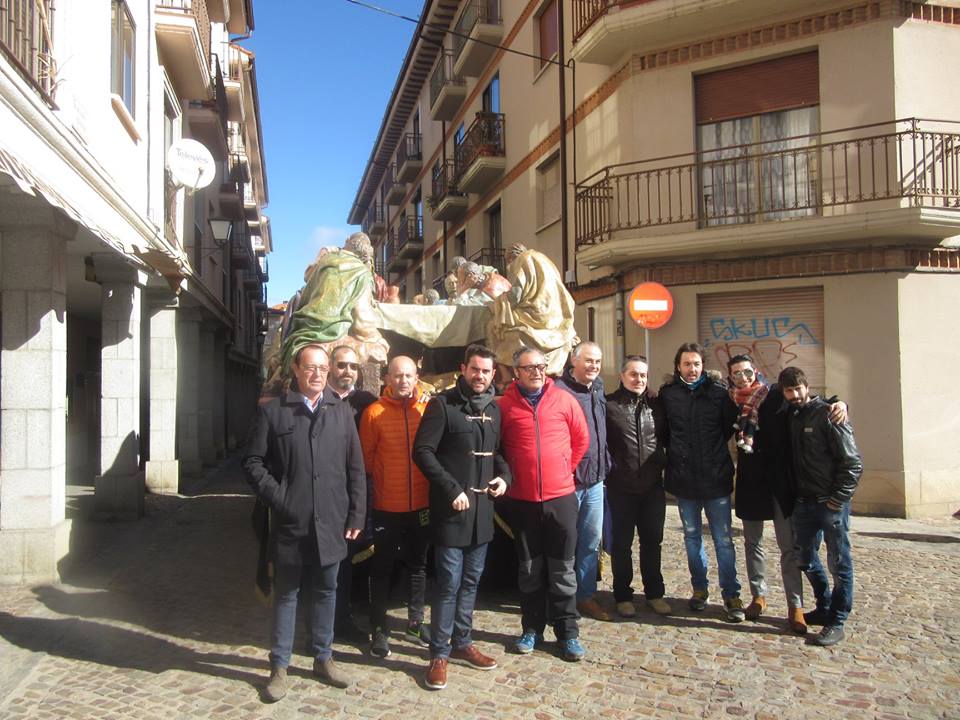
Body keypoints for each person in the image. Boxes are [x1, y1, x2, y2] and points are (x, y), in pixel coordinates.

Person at [243, 344, 366, 702]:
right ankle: (279, 666)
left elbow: (356, 468)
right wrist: (281, 497)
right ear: (295, 369)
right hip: (291, 524)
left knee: (328, 590)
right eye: (310, 368)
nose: (317, 374)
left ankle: (323, 658)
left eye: (323, 369)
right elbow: (252, 463)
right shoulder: (274, 412)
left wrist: (357, 513)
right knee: (287, 595)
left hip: (332, 521)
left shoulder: (341, 412)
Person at [413, 344, 511, 690]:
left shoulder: (494, 409)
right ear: (463, 369)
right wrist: (451, 489)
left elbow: (497, 454)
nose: (480, 376)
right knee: (449, 584)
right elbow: (422, 452)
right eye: (475, 369)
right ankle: (439, 653)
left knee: (471, 582)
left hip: (482, 513)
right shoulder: (442, 405)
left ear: (493, 373)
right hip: (451, 512)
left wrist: (505, 477)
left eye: (486, 371)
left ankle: (462, 642)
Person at [498, 347, 590, 661]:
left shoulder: (564, 399)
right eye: (529, 367)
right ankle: (532, 628)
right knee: (530, 569)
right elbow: (499, 447)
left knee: (563, 569)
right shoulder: (505, 405)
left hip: (561, 498)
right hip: (523, 501)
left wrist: (564, 470)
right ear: (516, 372)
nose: (537, 372)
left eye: (541, 366)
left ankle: (568, 633)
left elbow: (581, 439)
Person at [659, 342, 745, 622]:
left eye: (696, 364)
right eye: (687, 364)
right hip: (684, 480)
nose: (692, 369)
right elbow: (664, 433)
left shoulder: (719, 393)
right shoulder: (668, 394)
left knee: (723, 540)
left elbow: (727, 429)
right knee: (692, 538)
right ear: (678, 366)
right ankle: (700, 589)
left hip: (715, 478)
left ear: (703, 366)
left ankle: (731, 594)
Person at [779, 366, 863, 647]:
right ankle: (824, 604)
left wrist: (838, 499)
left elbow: (853, 463)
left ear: (807, 386)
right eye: (789, 391)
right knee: (804, 558)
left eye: (798, 389)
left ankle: (837, 620)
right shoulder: (792, 415)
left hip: (830, 502)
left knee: (839, 562)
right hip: (804, 502)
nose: (794, 395)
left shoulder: (829, 414)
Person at [359, 355, 431, 659]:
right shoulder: (373, 413)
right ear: (387, 379)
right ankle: (379, 627)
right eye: (397, 375)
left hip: (421, 504)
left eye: (408, 375)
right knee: (382, 568)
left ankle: (415, 623)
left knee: (418, 565)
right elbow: (365, 460)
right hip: (387, 504)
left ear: (417, 378)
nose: (403, 381)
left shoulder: (426, 409)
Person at [604, 355, 670, 618]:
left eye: (643, 375)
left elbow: (666, 438)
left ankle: (654, 594)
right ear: (622, 376)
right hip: (620, 487)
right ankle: (623, 595)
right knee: (622, 545)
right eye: (633, 374)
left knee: (653, 542)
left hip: (652, 487)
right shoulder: (609, 405)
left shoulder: (657, 405)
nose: (639, 379)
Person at [554, 341, 611, 621]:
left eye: (597, 361)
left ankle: (585, 596)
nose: (594, 366)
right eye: (588, 360)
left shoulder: (598, 387)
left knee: (590, 542)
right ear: (573, 361)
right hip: (569, 481)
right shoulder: (559, 391)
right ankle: (561, 598)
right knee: (564, 543)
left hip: (596, 481)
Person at [328, 346, 377, 643]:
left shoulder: (368, 403)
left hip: (355, 494)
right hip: (323, 493)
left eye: (353, 366)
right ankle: (320, 627)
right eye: (342, 365)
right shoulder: (317, 400)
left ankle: (342, 621)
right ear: (330, 366)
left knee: (346, 560)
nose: (348, 371)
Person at [487, 243, 577, 376]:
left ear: (511, 258)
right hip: (556, 316)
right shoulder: (544, 260)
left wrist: (498, 301)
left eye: (509, 263)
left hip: (536, 315)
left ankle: (503, 377)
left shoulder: (523, 259)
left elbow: (516, 296)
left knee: (493, 326)